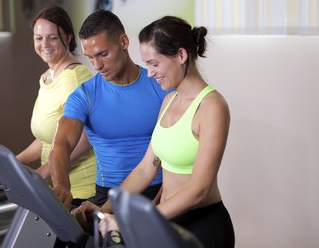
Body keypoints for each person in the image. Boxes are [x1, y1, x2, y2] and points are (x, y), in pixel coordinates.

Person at [77, 16, 236, 248]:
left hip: (202, 227)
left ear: (181, 56)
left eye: (154, 63)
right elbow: (145, 169)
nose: (149, 73)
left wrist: (135, 221)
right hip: (167, 219)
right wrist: (105, 209)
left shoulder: (211, 107)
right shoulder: (169, 100)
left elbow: (199, 190)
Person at [48, 10, 168, 212]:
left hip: (157, 191)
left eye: (103, 54)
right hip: (107, 194)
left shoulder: (160, 85)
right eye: (91, 58)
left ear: (123, 42)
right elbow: (62, 143)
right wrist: (61, 186)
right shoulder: (85, 95)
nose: (97, 65)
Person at [16, 6, 96, 207]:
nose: (44, 44)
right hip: (57, 186)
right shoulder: (47, 77)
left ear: (68, 37)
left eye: (52, 37)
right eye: (38, 38)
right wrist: (15, 161)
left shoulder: (74, 79)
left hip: (81, 189)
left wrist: (42, 172)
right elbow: (48, 137)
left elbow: (86, 139)